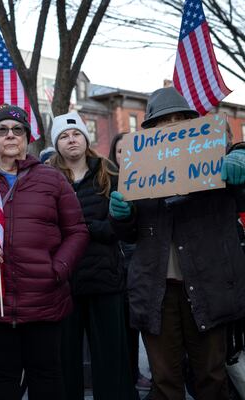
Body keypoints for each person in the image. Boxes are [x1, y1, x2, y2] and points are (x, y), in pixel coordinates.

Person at [109, 86, 245, 400]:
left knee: (211, 378)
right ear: (150, 129)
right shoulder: (138, 168)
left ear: (189, 122)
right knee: (165, 381)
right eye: (162, 120)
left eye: (177, 118)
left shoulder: (214, 156)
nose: (170, 125)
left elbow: (241, 193)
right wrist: (123, 215)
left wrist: (240, 156)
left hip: (207, 285)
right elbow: (128, 234)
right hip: (156, 289)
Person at [0, 104, 90, 399]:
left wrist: (58, 269)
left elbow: (77, 231)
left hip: (45, 302)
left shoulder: (52, 179)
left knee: (47, 378)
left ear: (27, 137)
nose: (10, 135)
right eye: (1, 130)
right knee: (1, 381)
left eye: (17, 130)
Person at [48, 112, 137, 400]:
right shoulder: (47, 179)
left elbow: (121, 227)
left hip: (105, 281)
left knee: (111, 359)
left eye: (75, 134)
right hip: (64, 284)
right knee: (65, 361)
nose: (70, 139)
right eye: (63, 136)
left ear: (85, 139)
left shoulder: (109, 173)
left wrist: (86, 229)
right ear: (56, 143)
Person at [108, 133, 152, 393]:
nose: (125, 155)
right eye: (120, 151)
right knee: (127, 330)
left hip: (149, 262)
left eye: (130, 149)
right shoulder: (109, 182)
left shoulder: (155, 178)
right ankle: (133, 376)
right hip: (121, 266)